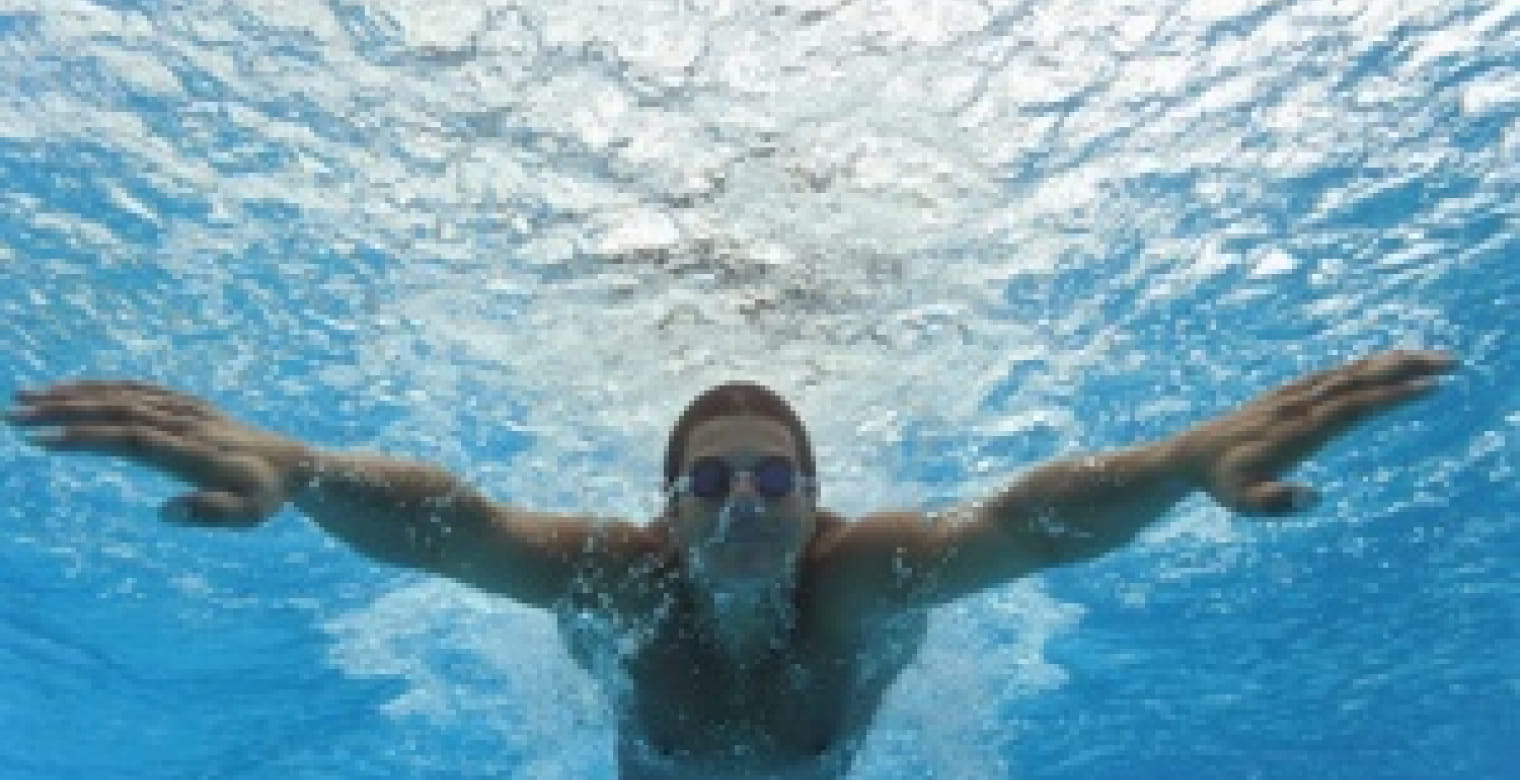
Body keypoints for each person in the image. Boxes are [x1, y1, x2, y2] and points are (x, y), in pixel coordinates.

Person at [5, 350, 1454, 778]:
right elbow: (447, 523)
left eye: (774, 478)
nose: (745, 498)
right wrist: (304, 469)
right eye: (713, 480)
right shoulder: (610, 575)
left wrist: (1185, 461)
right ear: (672, 504)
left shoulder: (867, 574)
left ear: (815, 498)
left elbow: (1032, 518)